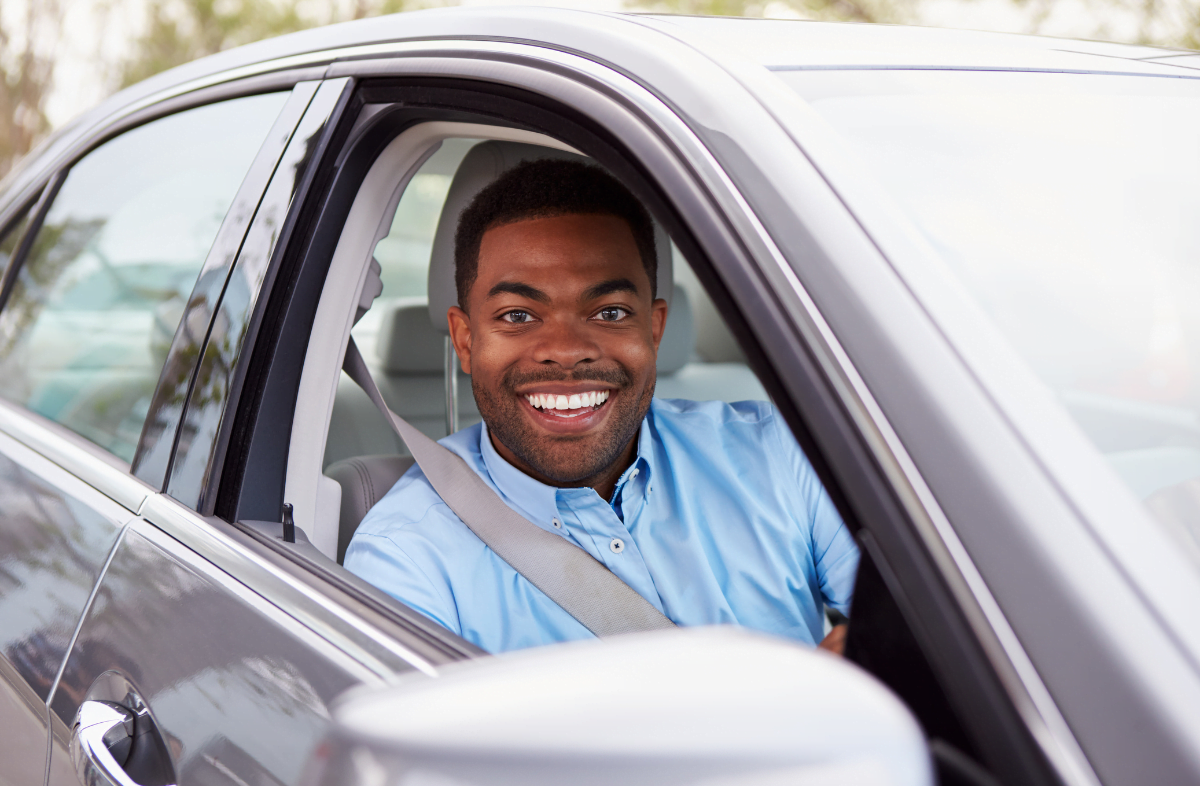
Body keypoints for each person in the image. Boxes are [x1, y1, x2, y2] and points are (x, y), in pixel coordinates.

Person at [345, 159, 860, 654]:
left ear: (654, 328)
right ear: (465, 339)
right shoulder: (406, 557)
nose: (567, 350)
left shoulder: (780, 455)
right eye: (519, 315)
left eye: (610, 311)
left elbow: (921, 621)